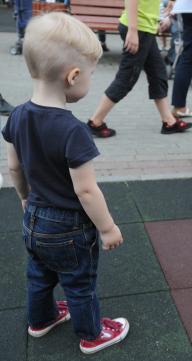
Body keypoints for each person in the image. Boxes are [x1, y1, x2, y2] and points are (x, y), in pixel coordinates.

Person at [1, 12, 129, 354]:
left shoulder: (15, 115)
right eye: (89, 74)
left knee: (39, 275)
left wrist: (25, 199)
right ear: (73, 76)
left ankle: (40, 319)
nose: (88, 80)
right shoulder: (72, 130)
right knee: (79, 283)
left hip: (34, 217)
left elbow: (13, 167)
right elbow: (86, 190)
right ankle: (91, 334)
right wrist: (107, 228)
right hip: (68, 227)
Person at [87, 0, 192, 137]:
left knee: (158, 73)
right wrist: (132, 30)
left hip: (145, 28)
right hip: (138, 29)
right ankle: (95, 121)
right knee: (127, 78)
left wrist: (161, 16)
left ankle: (169, 122)